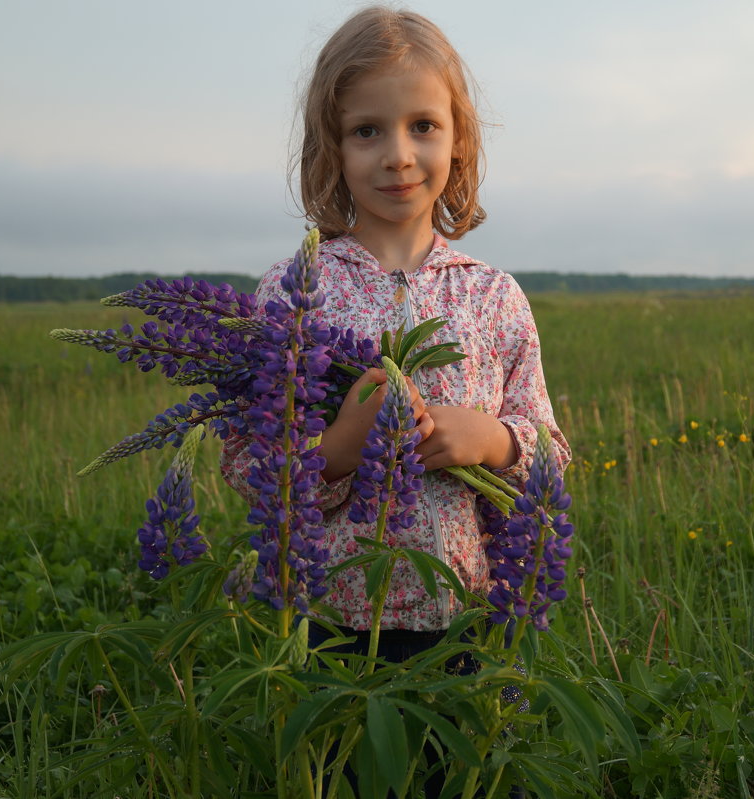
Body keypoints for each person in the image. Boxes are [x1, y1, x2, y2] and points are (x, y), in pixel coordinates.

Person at [220, 6, 570, 794]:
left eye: (423, 126)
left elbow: (553, 453)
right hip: (323, 624)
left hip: (464, 628)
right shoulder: (294, 292)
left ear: (458, 139)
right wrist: (342, 447)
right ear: (331, 148)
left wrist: (490, 440)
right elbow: (245, 465)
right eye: (367, 131)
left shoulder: (494, 297)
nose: (399, 155)